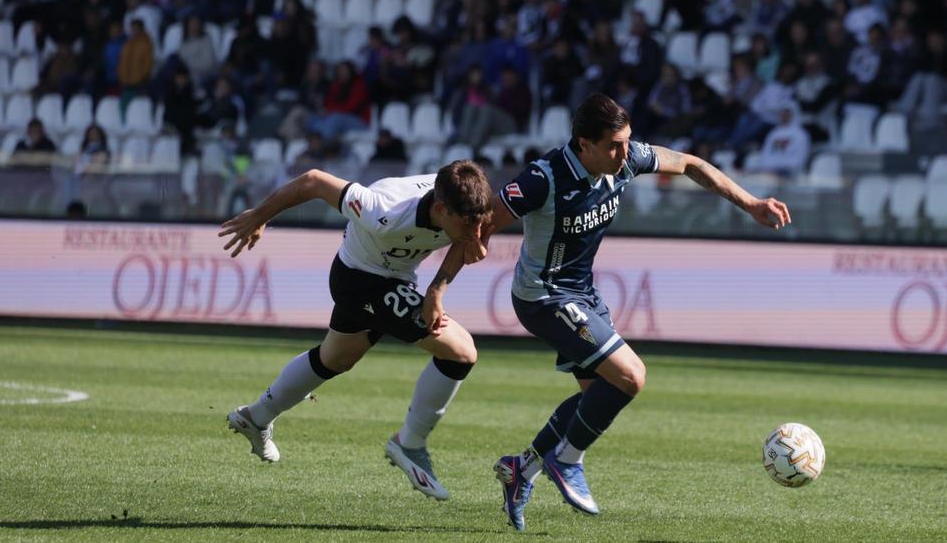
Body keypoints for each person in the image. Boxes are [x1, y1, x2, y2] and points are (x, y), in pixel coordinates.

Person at [458, 94, 789, 530]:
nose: (624, 153)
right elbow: (480, 224)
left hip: (582, 294)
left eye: (626, 142)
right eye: (613, 145)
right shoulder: (544, 178)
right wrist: (446, 281)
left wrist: (751, 205)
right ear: (583, 144)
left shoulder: (628, 159)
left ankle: (524, 469)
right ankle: (568, 461)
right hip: (543, 296)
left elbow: (691, 164)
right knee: (631, 376)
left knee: (595, 394)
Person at [220, 161, 493, 500]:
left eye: (480, 224)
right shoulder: (384, 209)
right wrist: (260, 216)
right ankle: (409, 444)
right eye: (470, 226)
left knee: (335, 358)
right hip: (359, 280)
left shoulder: (467, 205)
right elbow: (314, 182)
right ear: (440, 209)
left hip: (395, 277)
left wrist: (438, 287)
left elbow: (476, 227)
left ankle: (256, 416)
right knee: (462, 351)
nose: (478, 234)